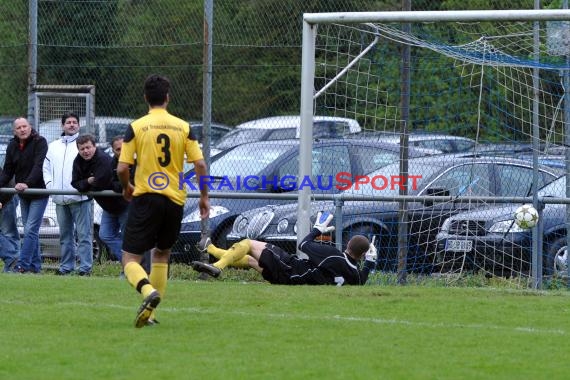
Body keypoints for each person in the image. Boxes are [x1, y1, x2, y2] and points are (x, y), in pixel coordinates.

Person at [117, 74, 209, 328]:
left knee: (129, 259)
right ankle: (152, 316)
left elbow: (122, 168)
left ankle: (147, 292)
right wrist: (203, 196)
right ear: (167, 98)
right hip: (175, 201)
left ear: (146, 97)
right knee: (162, 254)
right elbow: (200, 164)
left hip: (146, 197)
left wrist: (127, 187)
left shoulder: (136, 127)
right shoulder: (183, 126)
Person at [192, 212, 377, 286]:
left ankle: (218, 265)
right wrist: (369, 263)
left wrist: (316, 231)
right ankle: (211, 249)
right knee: (250, 260)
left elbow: (303, 245)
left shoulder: (334, 256)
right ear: (361, 256)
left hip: (289, 268)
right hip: (288, 280)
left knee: (248, 243)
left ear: (347, 246)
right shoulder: (355, 276)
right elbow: (361, 280)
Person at [43, 112, 93, 276]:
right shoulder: (53, 146)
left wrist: (83, 187)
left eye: (74, 122)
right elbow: (46, 169)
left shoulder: (83, 145)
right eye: (68, 122)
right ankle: (66, 267)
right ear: (62, 125)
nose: (72, 125)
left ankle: (85, 268)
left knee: (84, 235)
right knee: (65, 236)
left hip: (80, 198)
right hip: (59, 199)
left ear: (79, 125)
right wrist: (51, 186)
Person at [71, 134, 129, 266]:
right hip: (108, 207)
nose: (85, 151)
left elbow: (100, 184)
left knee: (129, 239)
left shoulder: (103, 159)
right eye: (82, 149)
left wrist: (86, 183)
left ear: (94, 146)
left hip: (124, 204)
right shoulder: (78, 161)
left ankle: (135, 266)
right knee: (105, 235)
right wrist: (88, 181)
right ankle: (129, 264)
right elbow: (75, 183)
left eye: (88, 147)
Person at [0, 117, 48, 273]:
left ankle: (22, 266)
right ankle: (36, 268)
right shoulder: (12, 146)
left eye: (24, 126)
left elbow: (38, 165)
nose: (22, 129)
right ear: (14, 131)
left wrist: (27, 183)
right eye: (18, 127)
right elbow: (7, 171)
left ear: (30, 127)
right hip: (23, 194)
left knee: (30, 230)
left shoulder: (40, 142)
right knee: (30, 231)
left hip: (38, 192)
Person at [0, 183, 20, 273]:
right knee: (10, 234)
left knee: (9, 233)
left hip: (6, 197)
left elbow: (7, 177)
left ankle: (12, 259)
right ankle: (13, 266)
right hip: (8, 196)